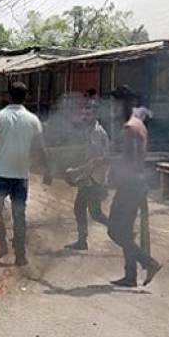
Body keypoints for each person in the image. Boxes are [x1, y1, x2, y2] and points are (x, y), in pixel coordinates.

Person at [0, 82, 51, 267]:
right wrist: (48, 170)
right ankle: (20, 255)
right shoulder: (33, 119)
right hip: (21, 177)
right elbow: (41, 148)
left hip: (0, 175)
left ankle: (1, 246)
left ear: (8, 96)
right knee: (19, 216)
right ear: (26, 98)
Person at [106, 86, 162, 287]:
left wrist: (112, 171)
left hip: (130, 184)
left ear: (125, 103)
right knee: (126, 231)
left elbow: (129, 159)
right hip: (138, 183)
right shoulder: (139, 124)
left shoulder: (130, 127)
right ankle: (130, 276)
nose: (113, 107)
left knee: (114, 231)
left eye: (116, 103)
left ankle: (149, 263)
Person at [64, 99, 109, 251]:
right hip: (90, 178)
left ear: (95, 115)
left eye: (88, 114)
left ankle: (122, 232)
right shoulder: (90, 131)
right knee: (91, 212)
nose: (85, 116)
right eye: (84, 113)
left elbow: (96, 160)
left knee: (90, 212)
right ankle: (83, 240)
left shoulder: (96, 132)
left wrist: (77, 172)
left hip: (94, 179)